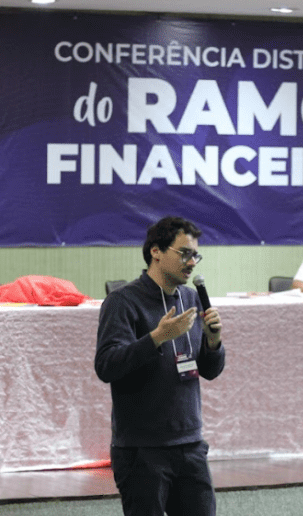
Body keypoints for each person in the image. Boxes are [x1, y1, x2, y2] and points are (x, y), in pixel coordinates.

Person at [94, 216, 225, 516]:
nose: (191, 263)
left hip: (190, 443)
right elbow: (107, 365)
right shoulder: (123, 302)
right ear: (156, 251)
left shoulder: (191, 298)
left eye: (196, 255)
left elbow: (209, 370)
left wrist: (214, 342)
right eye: (184, 253)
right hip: (142, 450)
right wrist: (157, 337)